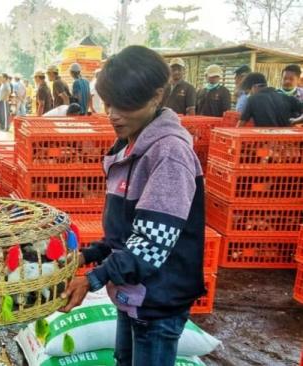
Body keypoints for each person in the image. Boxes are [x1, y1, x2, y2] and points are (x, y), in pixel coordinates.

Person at [60, 45, 205, 366]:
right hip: (134, 293)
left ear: (156, 97)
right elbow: (123, 236)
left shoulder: (168, 154)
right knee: (124, 359)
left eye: (124, 104)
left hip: (159, 298)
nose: (113, 113)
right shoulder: (128, 147)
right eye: (108, 103)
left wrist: (92, 278)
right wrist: (85, 256)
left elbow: (150, 246)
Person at [237, 72, 303, 127]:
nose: (249, 94)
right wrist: (295, 121)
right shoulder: (286, 97)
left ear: (254, 87)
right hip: (288, 141)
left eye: (249, 92)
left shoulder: (252, 99)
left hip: (265, 141)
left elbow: (240, 126)